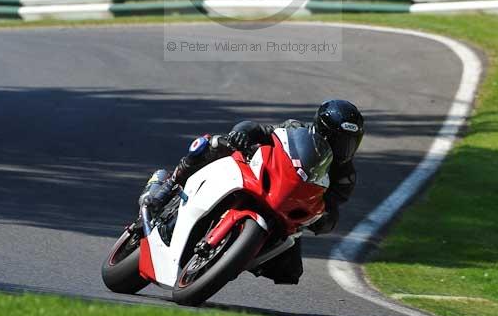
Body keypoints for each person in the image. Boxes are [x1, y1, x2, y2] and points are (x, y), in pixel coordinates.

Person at [139, 99, 364, 285]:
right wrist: (241, 133)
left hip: (285, 210)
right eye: (338, 140)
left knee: (290, 271)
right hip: (259, 175)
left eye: (349, 142)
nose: (343, 148)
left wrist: (323, 221)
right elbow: (261, 130)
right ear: (320, 129)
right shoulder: (297, 130)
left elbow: (331, 209)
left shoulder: (345, 177)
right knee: (215, 144)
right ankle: (168, 186)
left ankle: (232, 257)